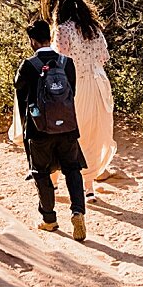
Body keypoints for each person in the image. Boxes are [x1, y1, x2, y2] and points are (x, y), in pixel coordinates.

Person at [10, 18, 87, 240]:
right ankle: (77, 211)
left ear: (32, 41)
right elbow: (72, 91)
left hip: (39, 129)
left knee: (41, 172)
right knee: (72, 169)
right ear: (50, 38)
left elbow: (20, 92)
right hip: (67, 127)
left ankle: (50, 219)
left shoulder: (28, 65)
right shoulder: (67, 63)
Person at [53, 0, 116, 198]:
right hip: (98, 83)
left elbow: (59, 60)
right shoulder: (93, 28)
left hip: (75, 84)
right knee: (92, 134)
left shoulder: (63, 29)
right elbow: (104, 57)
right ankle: (88, 186)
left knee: (67, 133)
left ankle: (53, 181)